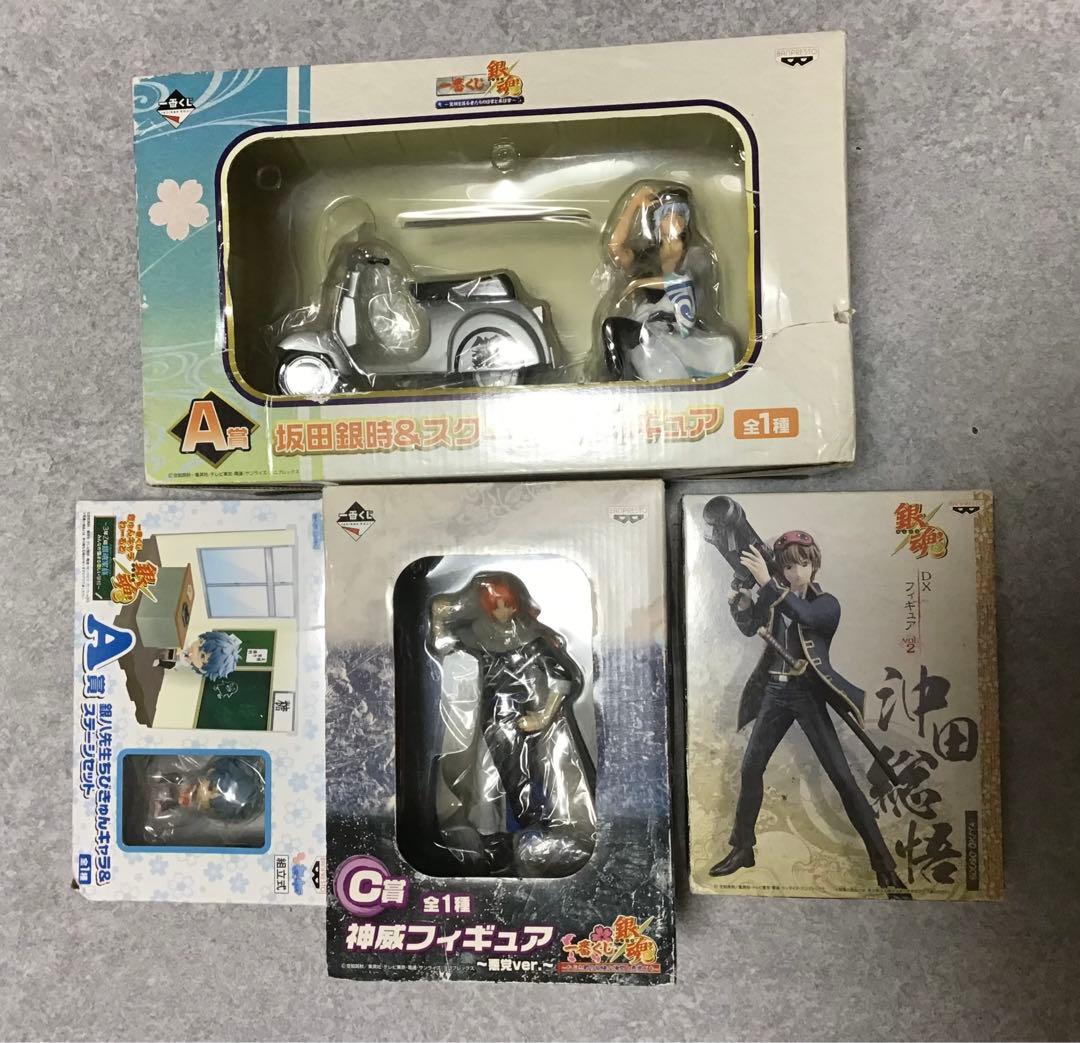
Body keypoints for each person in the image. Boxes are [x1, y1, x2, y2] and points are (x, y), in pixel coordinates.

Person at [709, 530, 911, 898]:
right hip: (774, 692)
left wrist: (767, 583)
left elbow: (801, 613)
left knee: (842, 778)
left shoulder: (826, 605)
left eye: (803, 564)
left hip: (808, 693)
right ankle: (743, 848)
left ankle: (884, 866)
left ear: (814, 564)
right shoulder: (773, 595)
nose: (796, 572)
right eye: (788, 567)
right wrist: (740, 603)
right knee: (750, 768)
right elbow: (750, 627)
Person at [428, 572, 596, 874]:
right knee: (486, 783)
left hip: (524, 721)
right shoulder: (473, 635)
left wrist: (543, 716)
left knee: (528, 778)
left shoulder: (531, 637)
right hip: (485, 720)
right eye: (497, 605)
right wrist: (439, 616)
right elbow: (443, 645)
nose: (504, 611)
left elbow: (561, 678)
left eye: (508, 604)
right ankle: (494, 840)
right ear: (486, 606)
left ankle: (535, 830)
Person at [601, 182, 736, 381]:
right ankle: (620, 383)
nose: (674, 218)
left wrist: (638, 284)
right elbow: (615, 248)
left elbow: (684, 282)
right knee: (612, 327)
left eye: (680, 212)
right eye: (667, 213)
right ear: (657, 220)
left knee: (723, 346)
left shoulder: (695, 255)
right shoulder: (648, 257)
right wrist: (635, 202)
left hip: (683, 329)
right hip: (650, 327)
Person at [153, 630, 242, 680]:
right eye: (201, 641)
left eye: (202, 656)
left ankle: (159, 662)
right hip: (158, 642)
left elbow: (182, 662)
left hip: (169, 658)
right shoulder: (184, 639)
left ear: (203, 668)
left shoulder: (187, 662)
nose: (195, 650)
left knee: (172, 664)